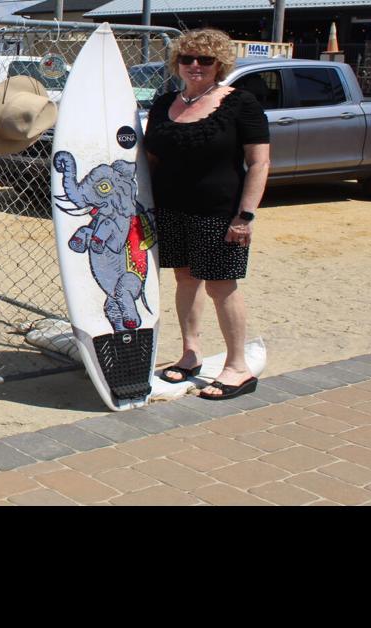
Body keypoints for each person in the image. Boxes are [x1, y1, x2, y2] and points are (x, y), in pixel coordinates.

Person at [142, 29, 271, 400]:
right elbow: (151, 156)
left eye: (205, 60)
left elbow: (259, 162)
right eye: (188, 58)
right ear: (178, 63)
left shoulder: (240, 103)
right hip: (171, 209)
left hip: (220, 212)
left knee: (220, 285)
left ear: (220, 64)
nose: (195, 66)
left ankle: (238, 368)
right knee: (185, 278)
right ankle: (190, 353)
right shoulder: (165, 100)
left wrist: (245, 216)